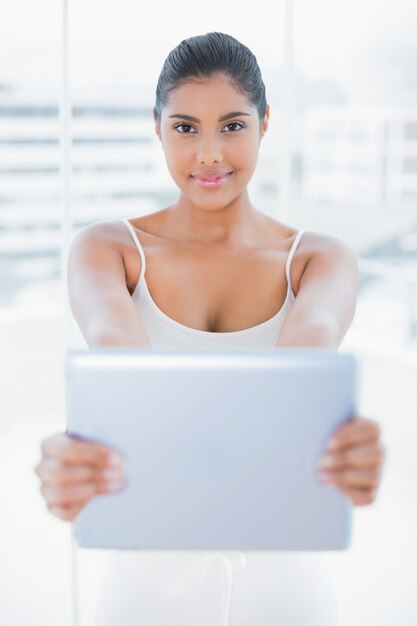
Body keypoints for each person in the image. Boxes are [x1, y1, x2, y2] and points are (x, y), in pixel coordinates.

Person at [34, 32, 385, 626]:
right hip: (143, 579)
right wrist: (78, 452)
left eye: (232, 125)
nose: (209, 155)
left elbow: (301, 374)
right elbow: (121, 366)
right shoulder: (106, 249)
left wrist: (338, 443)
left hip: (286, 578)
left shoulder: (320, 260)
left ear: (265, 123)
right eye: (186, 128)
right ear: (157, 127)